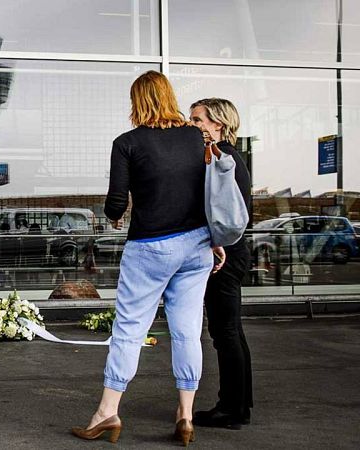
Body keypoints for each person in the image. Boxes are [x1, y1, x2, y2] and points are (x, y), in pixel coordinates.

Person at [72, 70, 225, 446]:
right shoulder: (194, 136)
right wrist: (214, 237)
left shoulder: (127, 143)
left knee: (129, 330)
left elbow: (113, 205)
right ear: (169, 97)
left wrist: (117, 213)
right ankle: (186, 415)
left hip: (150, 247)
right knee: (188, 330)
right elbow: (206, 191)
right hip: (196, 244)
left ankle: (108, 412)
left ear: (136, 102)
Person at [189, 98, 253, 430]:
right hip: (234, 250)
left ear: (219, 123)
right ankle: (240, 403)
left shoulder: (222, 158)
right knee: (232, 330)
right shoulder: (229, 157)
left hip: (225, 253)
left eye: (198, 119)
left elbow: (225, 212)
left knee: (224, 331)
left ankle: (230, 409)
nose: (193, 124)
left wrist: (215, 242)